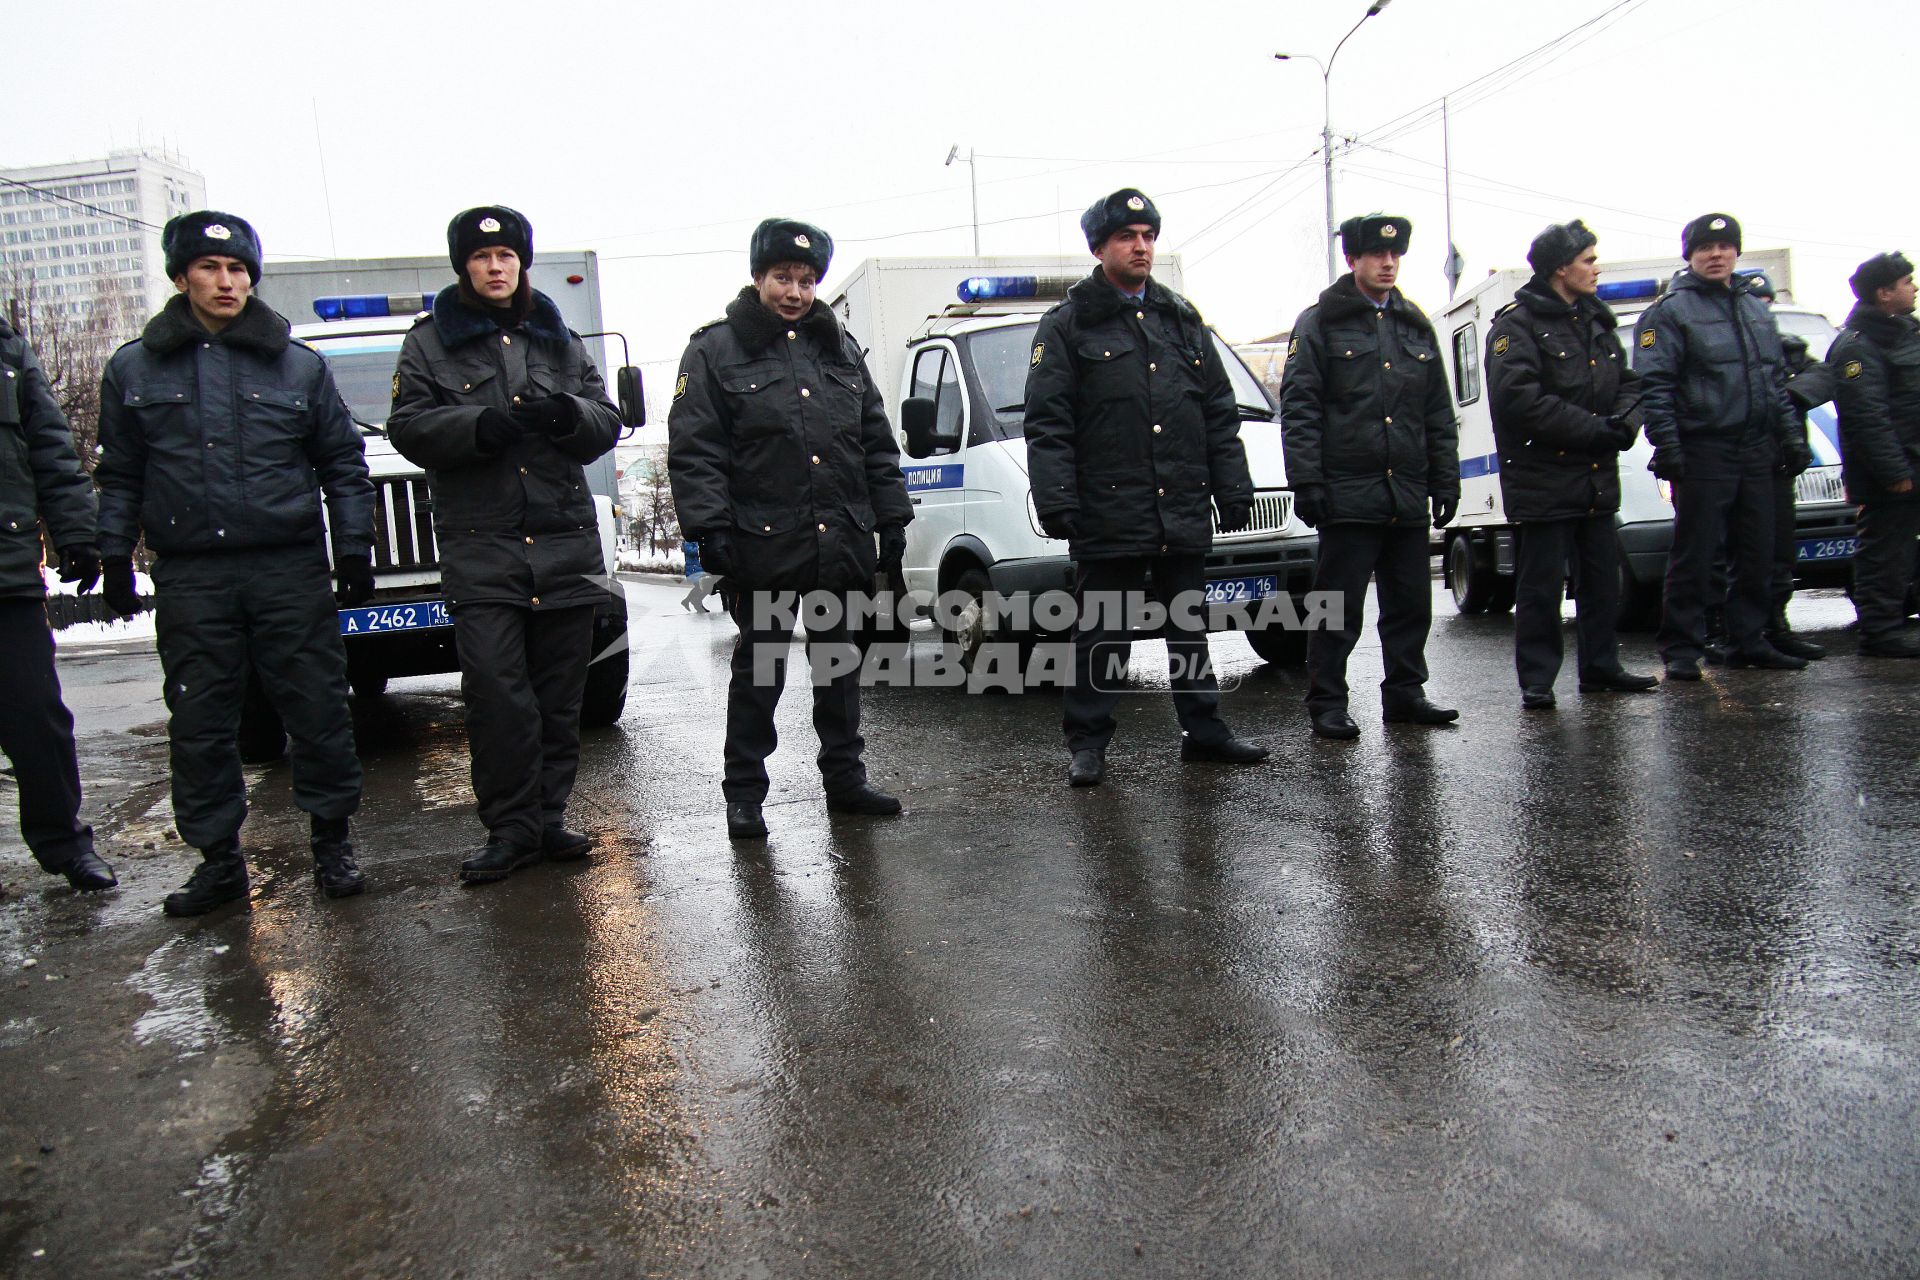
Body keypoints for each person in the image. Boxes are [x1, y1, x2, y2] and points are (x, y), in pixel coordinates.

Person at [95, 211, 373, 915]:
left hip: (287, 568)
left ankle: (332, 845)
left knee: (317, 707)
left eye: (239, 270)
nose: (227, 282)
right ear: (182, 275)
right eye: (212, 269)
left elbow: (341, 463)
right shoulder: (134, 367)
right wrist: (114, 555)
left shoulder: (296, 364)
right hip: (193, 574)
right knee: (200, 719)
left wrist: (353, 547)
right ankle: (218, 861)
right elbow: (121, 472)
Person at [387, 206, 623, 882]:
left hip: (563, 543)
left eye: (507, 257)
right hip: (482, 547)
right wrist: (476, 428)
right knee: (497, 695)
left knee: (558, 695)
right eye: (482, 257)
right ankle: (510, 830)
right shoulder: (430, 343)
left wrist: (567, 415)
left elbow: (604, 418)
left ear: (522, 262)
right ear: (463, 265)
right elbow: (406, 424)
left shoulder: (559, 338)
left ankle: (549, 819)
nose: (495, 267)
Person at [667, 218, 913, 838]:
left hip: (842, 537)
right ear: (758, 277)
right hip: (761, 543)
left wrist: (893, 520)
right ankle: (744, 794)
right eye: (783, 277)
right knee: (761, 669)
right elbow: (696, 449)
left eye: (806, 280)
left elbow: (876, 443)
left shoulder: (841, 347)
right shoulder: (713, 350)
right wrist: (710, 530)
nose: (796, 291)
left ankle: (845, 781)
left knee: (839, 665)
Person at [1024, 187, 1268, 785]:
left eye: (1149, 236)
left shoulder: (1182, 321)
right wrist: (1057, 499)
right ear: (1100, 247)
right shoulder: (1067, 326)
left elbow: (1217, 411)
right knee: (1103, 630)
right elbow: (1049, 423)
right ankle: (1088, 745)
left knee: (1189, 625)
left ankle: (1205, 732)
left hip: (1179, 502)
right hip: (1109, 509)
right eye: (1127, 237)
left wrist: (1234, 487)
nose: (1141, 247)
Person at [1281, 213, 1461, 740]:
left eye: (1395, 255)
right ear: (1353, 259)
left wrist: (1444, 480)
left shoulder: (1414, 324)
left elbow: (1436, 412)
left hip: (1404, 491)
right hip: (1347, 492)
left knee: (1410, 604)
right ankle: (1328, 704)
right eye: (1376, 255)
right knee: (1337, 608)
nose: (1388, 263)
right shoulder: (1319, 324)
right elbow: (1301, 408)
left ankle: (1406, 694)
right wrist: (1307, 482)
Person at [1486, 220, 1659, 708]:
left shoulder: (1596, 320)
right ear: (1561, 268)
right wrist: (1594, 430)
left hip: (1595, 477)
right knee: (1540, 588)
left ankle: (1601, 667)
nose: (1595, 268)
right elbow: (1518, 399)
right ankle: (1538, 681)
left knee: (1602, 580)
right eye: (1587, 260)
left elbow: (1629, 382)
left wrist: (1624, 424)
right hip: (1543, 478)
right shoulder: (1515, 326)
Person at [1635, 213, 1806, 680]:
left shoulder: (1754, 308)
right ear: (1689, 255)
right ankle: (1682, 648)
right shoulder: (1669, 313)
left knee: (1756, 552)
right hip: (1702, 450)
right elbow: (1656, 385)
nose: (1716, 255)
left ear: (1736, 252)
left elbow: (1774, 382)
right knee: (1696, 553)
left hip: (1757, 449)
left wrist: (1789, 437)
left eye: (1725, 247)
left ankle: (1748, 640)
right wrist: (1668, 446)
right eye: (1706, 249)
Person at [0, 317, 116, 892]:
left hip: (5, 574)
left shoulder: (8, 351)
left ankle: (64, 844)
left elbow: (50, 447)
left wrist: (77, 532)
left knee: (36, 718)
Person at [1828, 252, 1920, 658]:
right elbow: (1867, 416)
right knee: (1885, 552)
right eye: (1907, 282)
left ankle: (1895, 621)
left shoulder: (1905, 332)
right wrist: (1893, 471)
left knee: (1903, 550)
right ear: (1884, 293)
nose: (1914, 288)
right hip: (1893, 470)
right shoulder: (1857, 346)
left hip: (1913, 460)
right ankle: (1880, 631)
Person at [681, 538, 722, 613]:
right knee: (701, 587)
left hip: (698, 567)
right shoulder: (689, 540)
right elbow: (690, 551)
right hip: (693, 568)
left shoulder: (696, 540)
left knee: (700, 587)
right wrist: (701, 547)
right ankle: (695, 603)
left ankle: (689, 601)